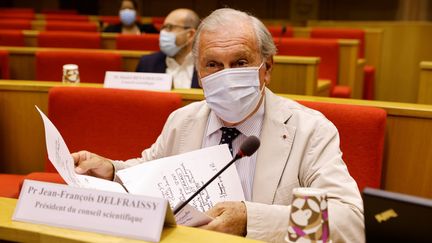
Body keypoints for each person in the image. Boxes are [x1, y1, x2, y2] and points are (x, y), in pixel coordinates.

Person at [73, 8, 364, 243]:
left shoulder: (310, 130)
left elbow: (348, 223)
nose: (226, 75)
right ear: (198, 74)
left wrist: (252, 220)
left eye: (240, 62)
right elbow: (149, 172)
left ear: (267, 69)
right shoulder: (183, 121)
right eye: (212, 64)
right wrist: (111, 171)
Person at [135, 8, 200, 89]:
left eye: (169, 27)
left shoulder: (208, 67)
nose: (163, 33)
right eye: (163, 28)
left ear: (190, 34)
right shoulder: (147, 63)